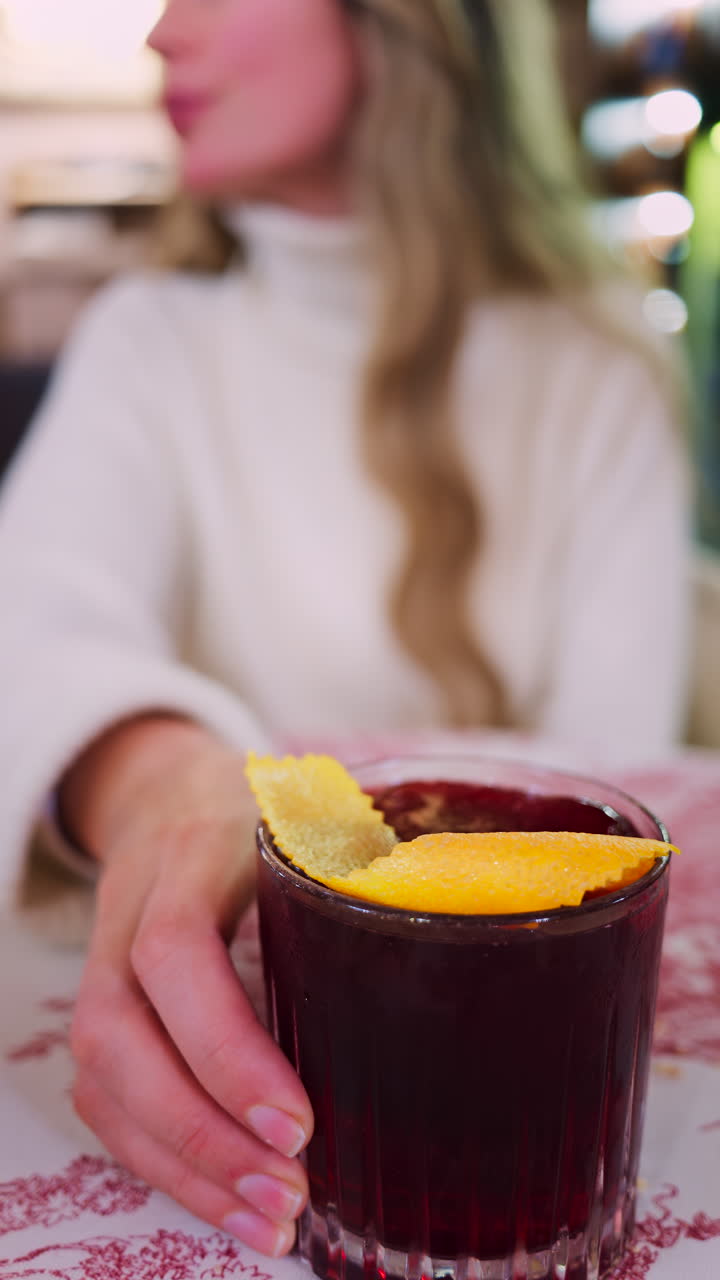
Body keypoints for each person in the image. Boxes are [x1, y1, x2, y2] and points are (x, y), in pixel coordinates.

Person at [0, 0, 690, 1259]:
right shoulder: (148, 343)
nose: (160, 36)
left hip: (510, 1103)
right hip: (304, 1090)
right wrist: (162, 780)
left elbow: (599, 831)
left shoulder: (596, 378)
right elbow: (31, 623)